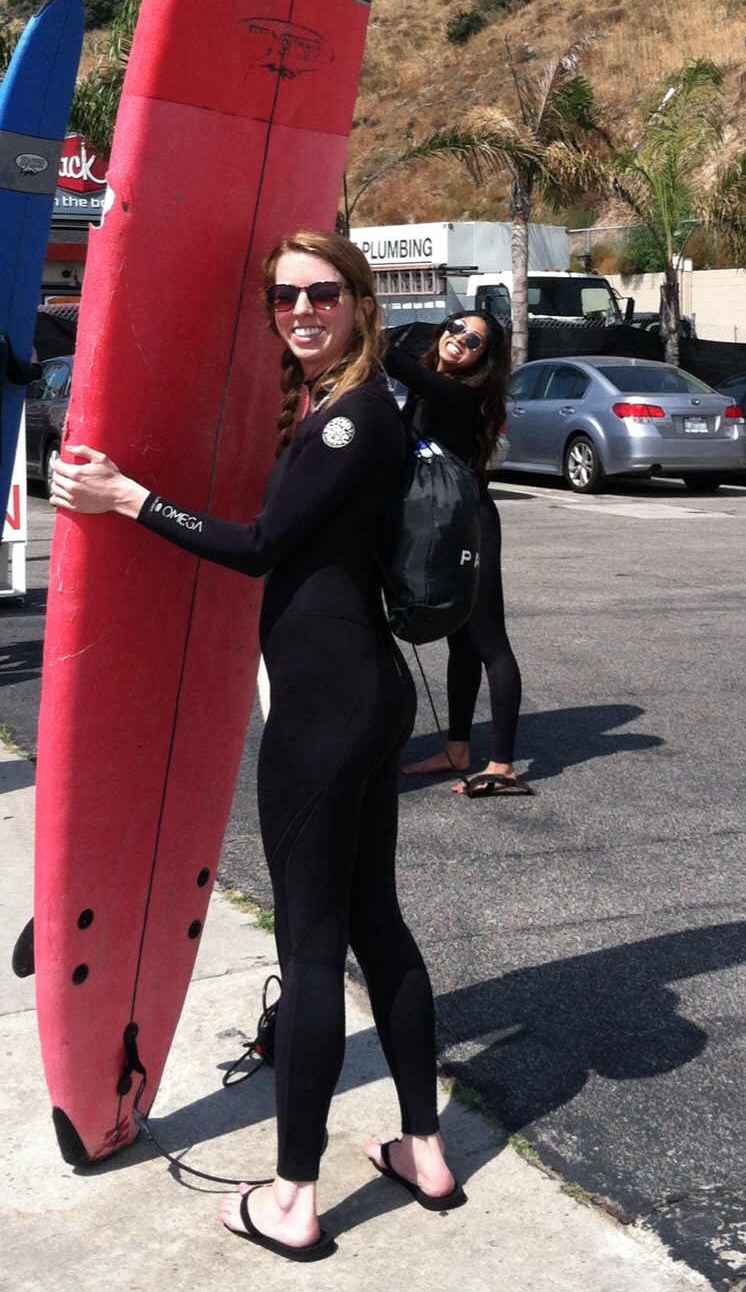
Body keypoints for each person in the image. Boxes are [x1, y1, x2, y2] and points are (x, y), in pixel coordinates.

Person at [51, 233, 461, 1259]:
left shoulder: (345, 420)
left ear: (361, 302)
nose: (302, 311)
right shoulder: (357, 407)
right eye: (284, 299)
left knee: (313, 949)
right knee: (378, 924)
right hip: (366, 697)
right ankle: (424, 1149)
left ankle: (293, 1198)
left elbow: (257, 549)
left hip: (326, 712)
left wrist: (125, 497)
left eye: (323, 294)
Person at [385, 313, 530, 798]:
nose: (458, 339)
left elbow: (390, 359)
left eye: (473, 340)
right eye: (454, 327)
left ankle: (503, 764)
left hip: (471, 524)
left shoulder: (458, 395)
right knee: (460, 643)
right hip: (441, 525)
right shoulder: (432, 390)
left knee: (489, 640)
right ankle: (458, 749)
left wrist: (355, 319)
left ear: (482, 359)